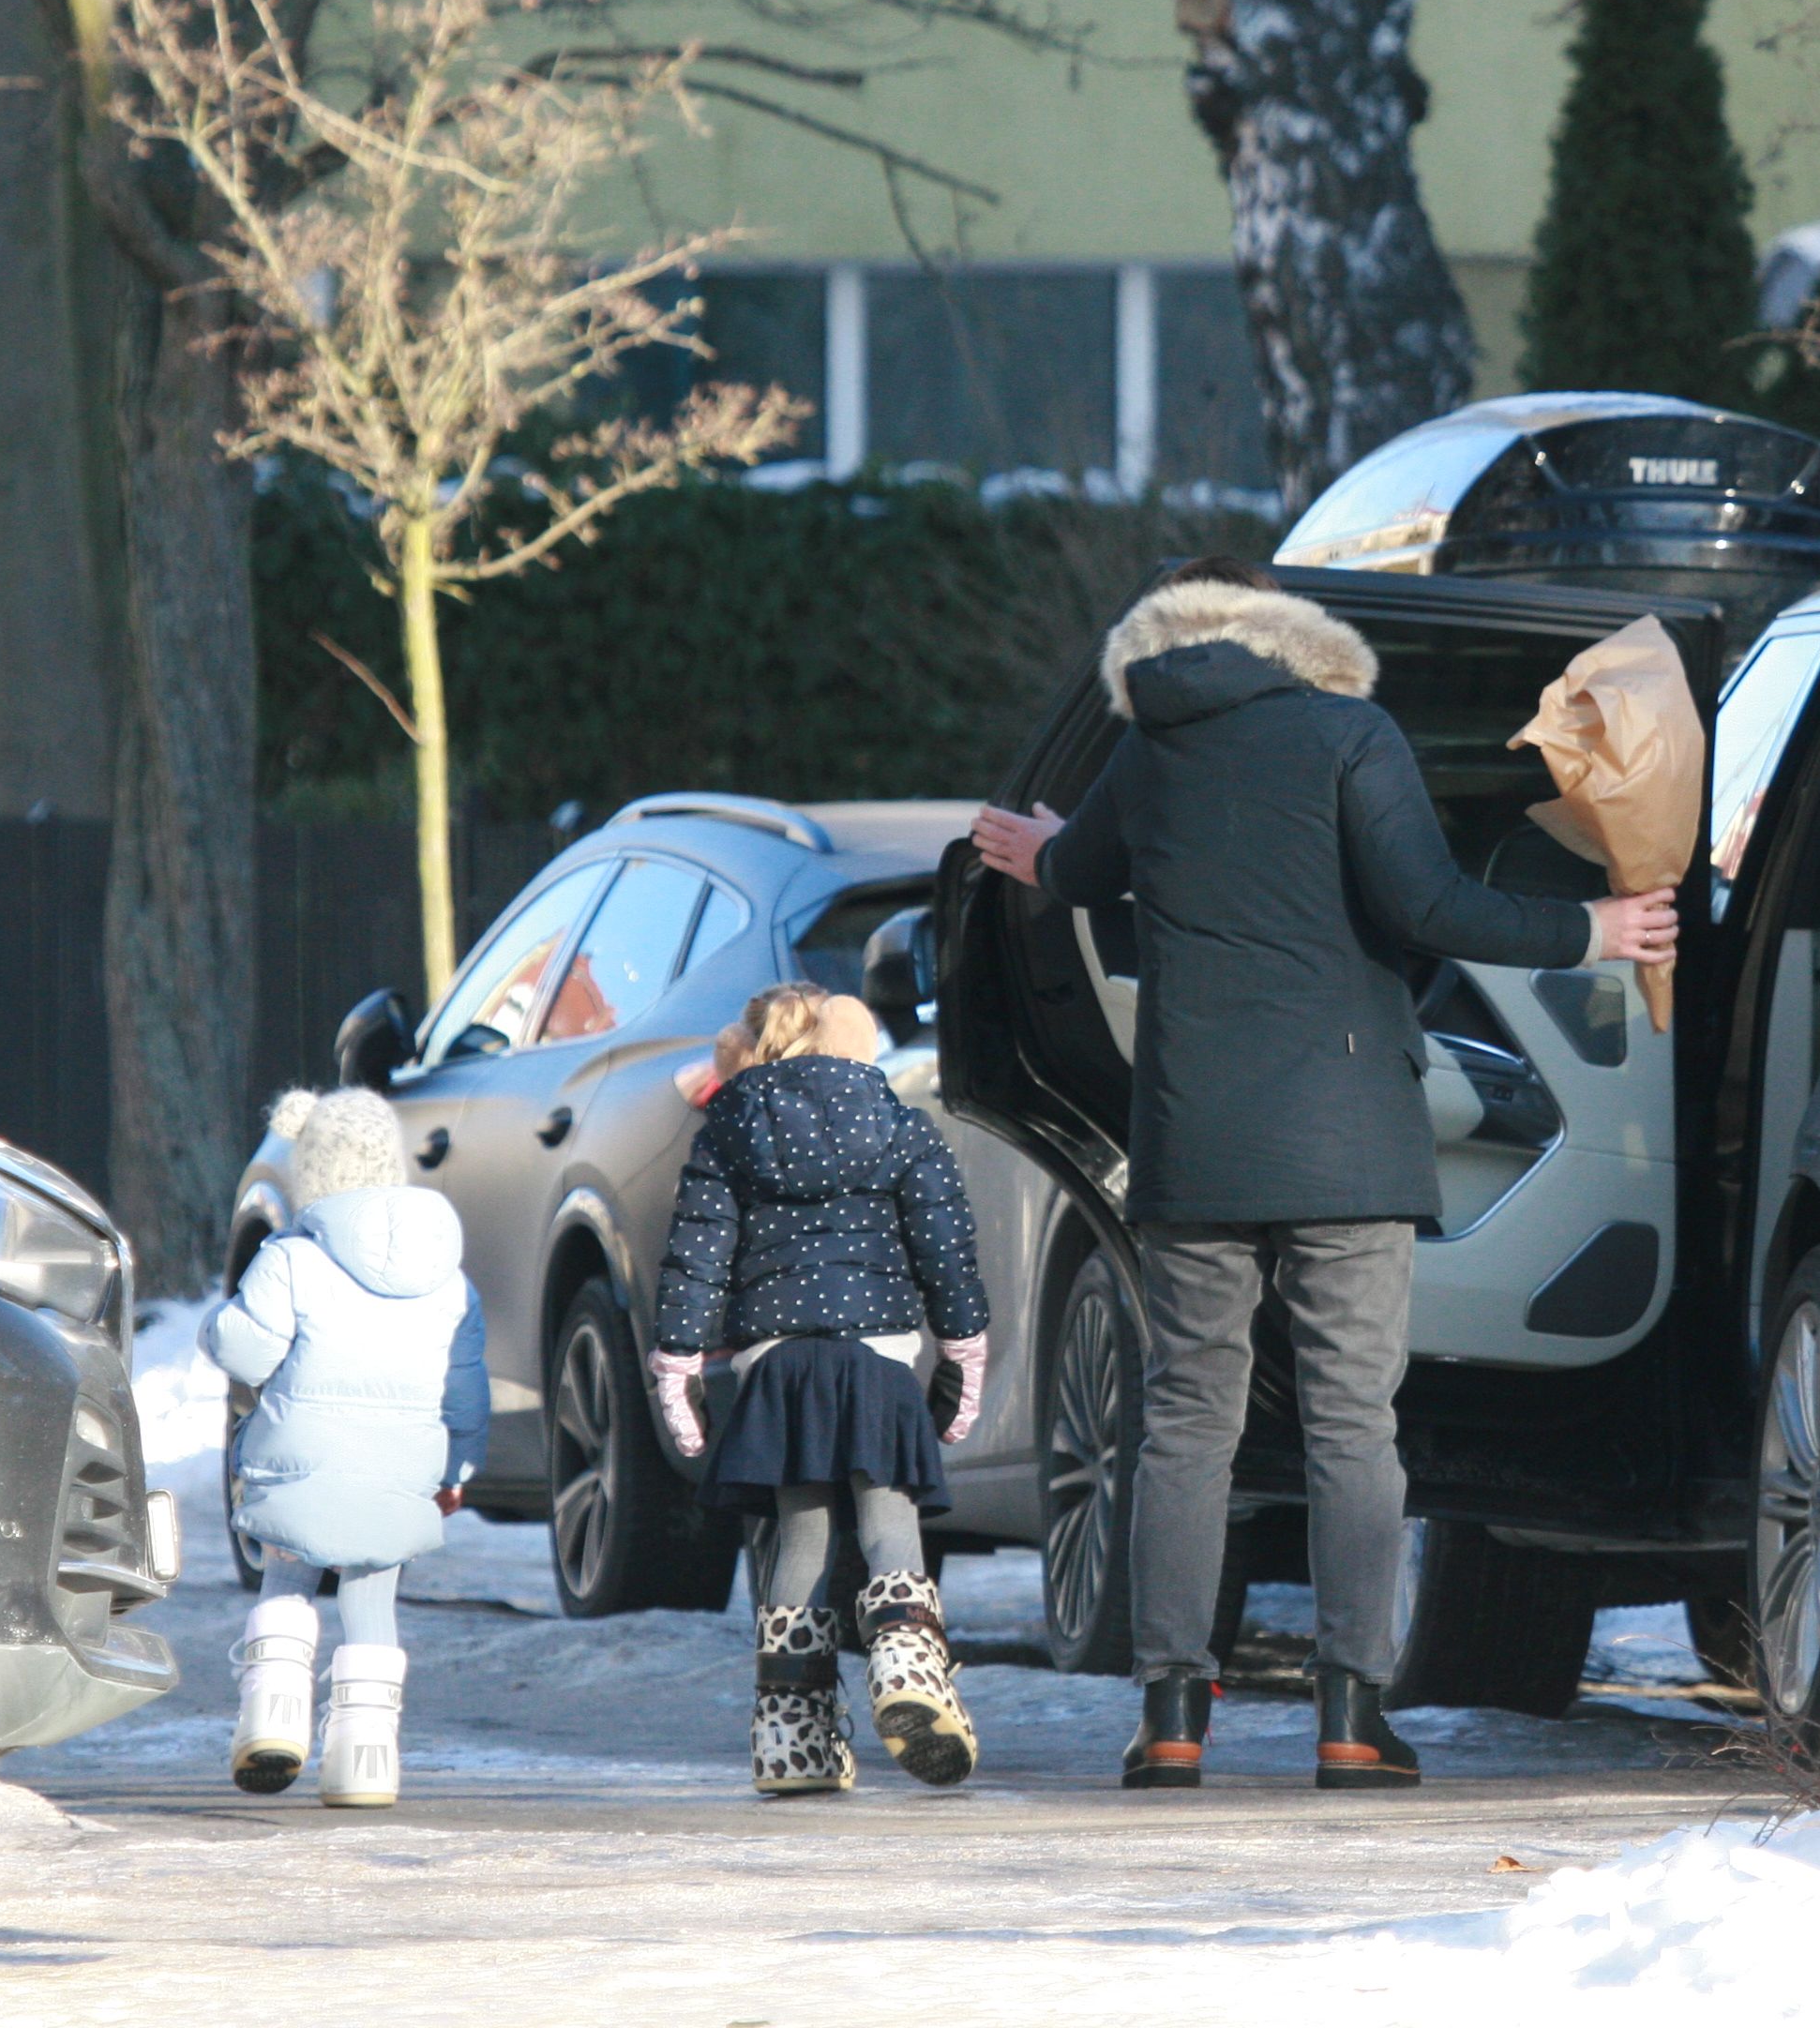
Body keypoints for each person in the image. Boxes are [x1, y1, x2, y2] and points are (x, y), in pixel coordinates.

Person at [971, 560, 1677, 1792]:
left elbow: (1078, 873)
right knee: (1353, 1425)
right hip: (1348, 1138)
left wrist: (1034, 847)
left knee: (1187, 1425)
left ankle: (1172, 1717)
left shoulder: (1150, 747)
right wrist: (1594, 933)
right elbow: (1429, 906)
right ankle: (1353, 1718)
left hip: (1195, 1143)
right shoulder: (1352, 733)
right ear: (1299, 636)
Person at [647, 984, 994, 1795]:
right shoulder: (903, 1128)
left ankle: (791, 1735)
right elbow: (947, 1250)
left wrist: (679, 1369)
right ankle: (907, 1663)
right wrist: (962, 1355)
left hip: (778, 1366)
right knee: (888, 1515)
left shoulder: (728, 1134)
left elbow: (696, 1259)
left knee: (800, 1535)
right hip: (876, 1356)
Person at [210, 1086, 491, 1810]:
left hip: (300, 1456)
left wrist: (216, 1325)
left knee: (290, 1570)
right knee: (372, 1591)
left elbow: (245, 1354)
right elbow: (465, 1390)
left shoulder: (292, 1257)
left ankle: (272, 1714)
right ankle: (366, 1758)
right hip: (401, 1467)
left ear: (315, 1171)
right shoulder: (447, 1277)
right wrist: (457, 1468)